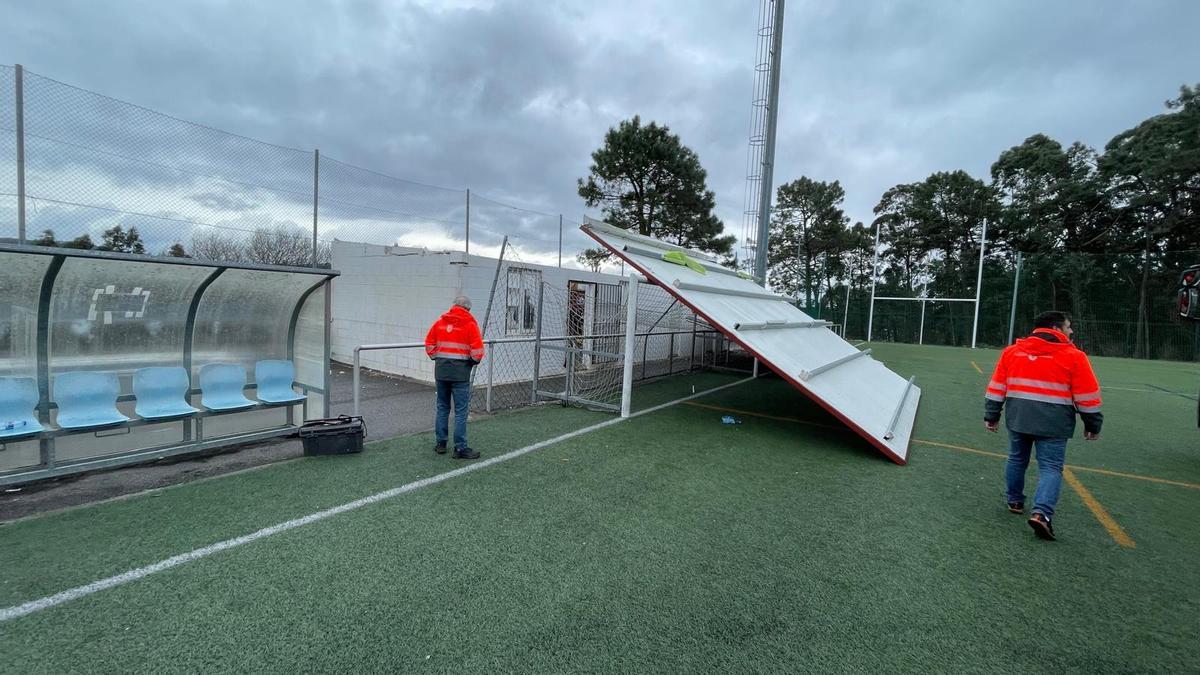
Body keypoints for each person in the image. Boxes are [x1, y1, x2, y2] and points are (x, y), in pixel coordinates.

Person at [984, 310, 1103, 541]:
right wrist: (1093, 425)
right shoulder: (1074, 356)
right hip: (1054, 424)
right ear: (1056, 329)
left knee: (1017, 458)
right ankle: (1042, 515)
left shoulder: (1012, 352)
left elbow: (997, 386)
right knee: (1050, 468)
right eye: (1068, 327)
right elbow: (1087, 396)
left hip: (1018, 418)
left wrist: (992, 415)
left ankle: (1015, 501)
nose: (1071, 331)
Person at [424, 295, 485, 459]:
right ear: (467, 309)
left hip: (441, 372)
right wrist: (470, 362)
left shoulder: (440, 323)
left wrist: (438, 357)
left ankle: (441, 443)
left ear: (453, 306)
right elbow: (478, 352)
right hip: (460, 374)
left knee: (442, 407)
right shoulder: (470, 325)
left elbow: (429, 343)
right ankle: (460, 448)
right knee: (460, 411)